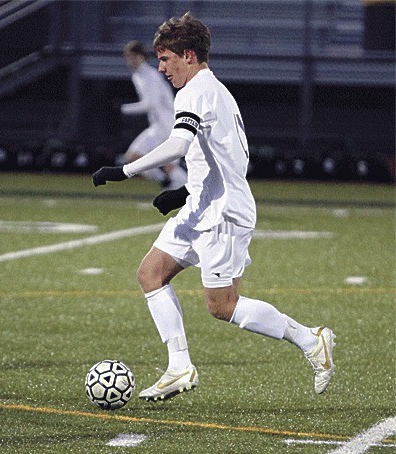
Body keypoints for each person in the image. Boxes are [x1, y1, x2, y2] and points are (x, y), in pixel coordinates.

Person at [92, 13, 336, 401]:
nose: (161, 67)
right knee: (151, 274)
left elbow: (178, 146)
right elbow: (223, 157)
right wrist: (185, 192)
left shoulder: (196, 91)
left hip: (224, 213)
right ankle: (179, 367)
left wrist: (125, 170)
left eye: (166, 58)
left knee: (222, 306)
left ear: (188, 55)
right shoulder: (211, 90)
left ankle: (311, 340)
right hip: (204, 205)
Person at [120, 40, 187, 190]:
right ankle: (168, 183)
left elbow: (151, 104)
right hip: (159, 126)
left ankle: (192, 192)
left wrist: (123, 109)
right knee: (132, 159)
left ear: (142, 57)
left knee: (167, 165)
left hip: (168, 125)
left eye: (134, 57)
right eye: (129, 57)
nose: (131, 61)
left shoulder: (150, 76)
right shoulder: (139, 76)